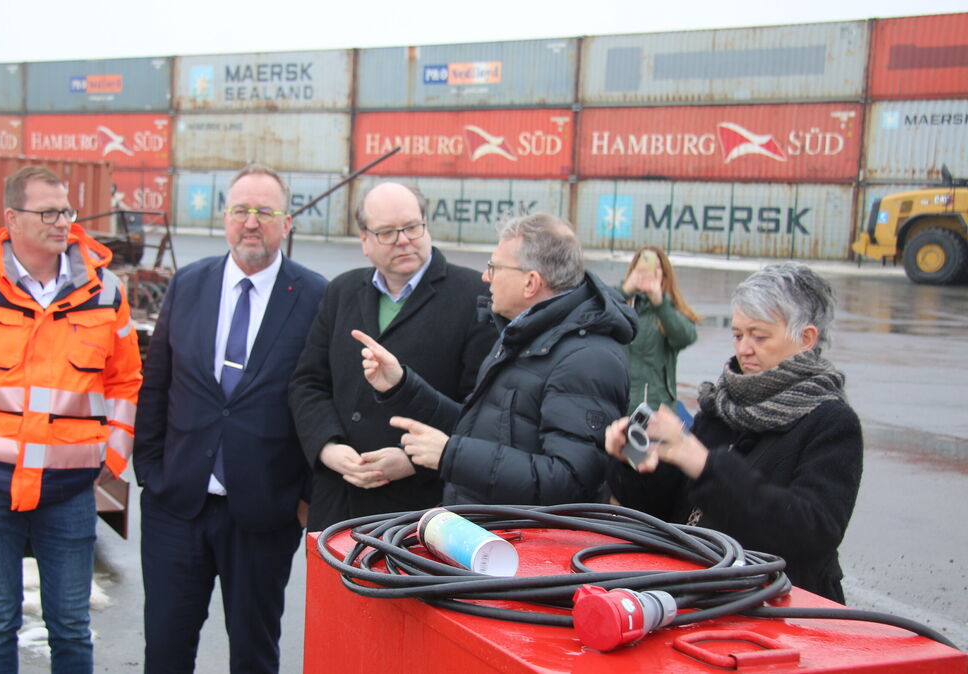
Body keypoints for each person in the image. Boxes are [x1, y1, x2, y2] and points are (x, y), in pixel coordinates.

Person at [0, 166, 143, 672]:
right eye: (49, 212)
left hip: (70, 488)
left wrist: (114, 454)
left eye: (68, 211)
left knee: (72, 629)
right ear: (11, 218)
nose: (64, 223)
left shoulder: (105, 292)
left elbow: (124, 382)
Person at [133, 163, 326, 673]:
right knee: (166, 651)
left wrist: (304, 497)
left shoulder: (314, 297)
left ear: (287, 222)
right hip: (177, 507)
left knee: (254, 654)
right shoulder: (189, 285)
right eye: (241, 210)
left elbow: (321, 402)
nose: (251, 222)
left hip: (263, 515)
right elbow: (156, 385)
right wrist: (150, 472)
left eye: (265, 211)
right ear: (225, 218)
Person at [604, 262, 862, 603]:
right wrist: (635, 462)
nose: (744, 349)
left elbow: (811, 532)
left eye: (759, 335)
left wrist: (706, 466)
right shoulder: (723, 403)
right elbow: (667, 510)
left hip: (781, 607)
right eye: (738, 334)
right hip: (694, 591)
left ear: (806, 339)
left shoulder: (831, 421)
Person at [354, 212, 637, 506]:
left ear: (531, 283)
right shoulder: (524, 336)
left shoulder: (588, 360)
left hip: (519, 546)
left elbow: (568, 481)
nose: (485, 276)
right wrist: (402, 384)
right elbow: (478, 430)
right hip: (491, 537)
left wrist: (451, 455)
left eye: (494, 267)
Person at [288, 182, 495, 531]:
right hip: (337, 504)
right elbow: (308, 382)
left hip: (421, 513)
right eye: (387, 232)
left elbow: (484, 411)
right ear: (365, 241)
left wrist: (417, 460)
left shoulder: (476, 296)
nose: (403, 239)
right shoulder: (341, 291)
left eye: (412, 227)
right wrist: (328, 449)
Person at [618, 245, 700, 415]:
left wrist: (659, 302)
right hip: (618, 406)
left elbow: (685, 337)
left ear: (664, 274)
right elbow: (591, 315)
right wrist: (624, 291)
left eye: (656, 268)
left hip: (654, 409)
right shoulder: (619, 306)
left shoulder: (668, 310)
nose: (649, 273)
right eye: (645, 267)